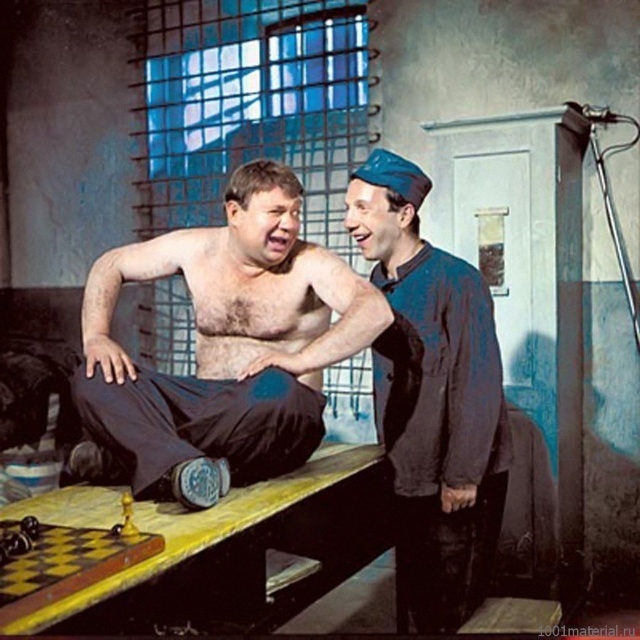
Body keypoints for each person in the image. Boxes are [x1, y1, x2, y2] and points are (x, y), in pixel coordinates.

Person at [65, 158, 394, 512]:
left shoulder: (311, 262)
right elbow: (110, 264)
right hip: (201, 403)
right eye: (276, 212)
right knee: (92, 375)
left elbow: (375, 311)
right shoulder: (196, 248)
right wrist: (97, 335)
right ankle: (184, 466)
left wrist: (300, 361)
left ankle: (137, 459)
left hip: (270, 415)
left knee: (279, 390)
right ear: (235, 212)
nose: (290, 224)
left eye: (296, 213)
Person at [343, 148, 513, 634]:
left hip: (455, 478)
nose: (350, 222)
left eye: (362, 208)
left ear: (404, 214)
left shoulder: (458, 280)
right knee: (416, 602)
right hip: (408, 473)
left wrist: (461, 477)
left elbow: (477, 383)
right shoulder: (376, 283)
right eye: (348, 208)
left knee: (449, 611)